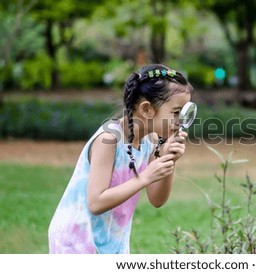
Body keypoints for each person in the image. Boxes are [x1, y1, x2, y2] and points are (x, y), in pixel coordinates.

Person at [48, 64, 194, 253]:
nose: (180, 121)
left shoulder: (151, 140)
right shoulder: (108, 140)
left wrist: (170, 160)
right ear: (147, 109)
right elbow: (96, 202)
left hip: (112, 241)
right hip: (76, 240)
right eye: (176, 113)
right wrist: (144, 177)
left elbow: (157, 199)